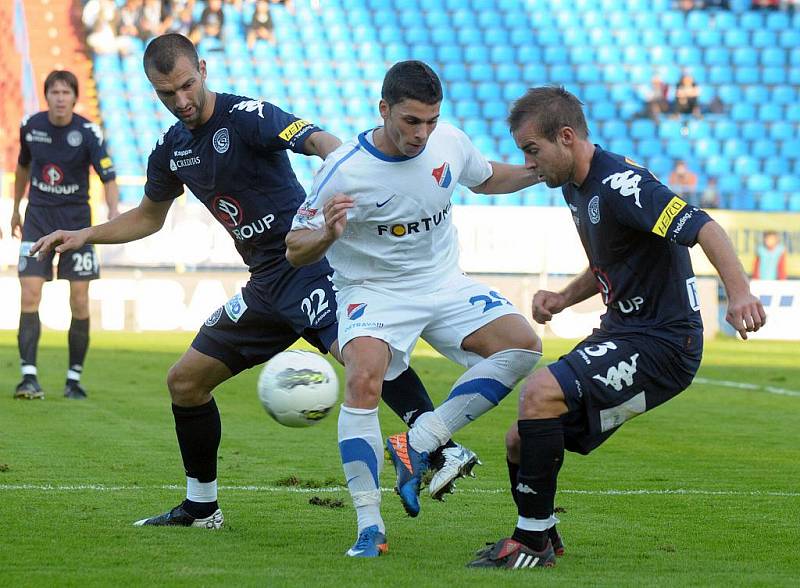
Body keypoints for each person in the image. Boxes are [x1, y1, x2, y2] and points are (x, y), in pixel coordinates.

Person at [32, 35, 476, 530]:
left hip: (311, 265)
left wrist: (358, 191)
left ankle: (442, 447)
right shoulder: (173, 150)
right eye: (165, 93)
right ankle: (202, 507)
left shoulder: (247, 115)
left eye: (187, 85)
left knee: (361, 356)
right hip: (266, 286)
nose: (181, 101)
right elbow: (148, 217)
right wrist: (87, 234)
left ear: (202, 69)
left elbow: (322, 143)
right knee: (185, 382)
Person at [468, 86, 766, 569]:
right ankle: (541, 531)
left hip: (664, 341)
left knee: (539, 393)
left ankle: (531, 544)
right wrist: (564, 298)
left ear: (565, 137)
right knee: (521, 437)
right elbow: (609, 261)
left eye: (532, 150)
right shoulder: (574, 185)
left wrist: (740, 293)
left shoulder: (622, 185)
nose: (528, 162)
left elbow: (703, 226)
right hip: (624, 332)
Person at [286, 60, 544, 558]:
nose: (422, 133)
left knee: (523, 346)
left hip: (442, 281)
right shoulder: (344, 169)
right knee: (364, 379)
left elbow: (487, 179)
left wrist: (541, 171)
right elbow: (295, 248)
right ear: (384, 110)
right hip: (373, 290)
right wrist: (327, 235)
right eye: (410, 121)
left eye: (430, 120)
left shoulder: (448, 141)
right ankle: (369, 527)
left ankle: (420, 441)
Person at [11, 70, 120, 400]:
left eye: (65, 92)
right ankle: (28, 376)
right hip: (38, 220)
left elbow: (108, 177)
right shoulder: (32, 126)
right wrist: (16, 207)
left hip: (76, 224)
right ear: (47, 97)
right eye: (54, 92)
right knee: (30, 294)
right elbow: (23, 168)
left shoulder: (87, 132)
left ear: (75, 97)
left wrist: (113, 213)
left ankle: (74, 379)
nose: (60, 97)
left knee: (80, 300)